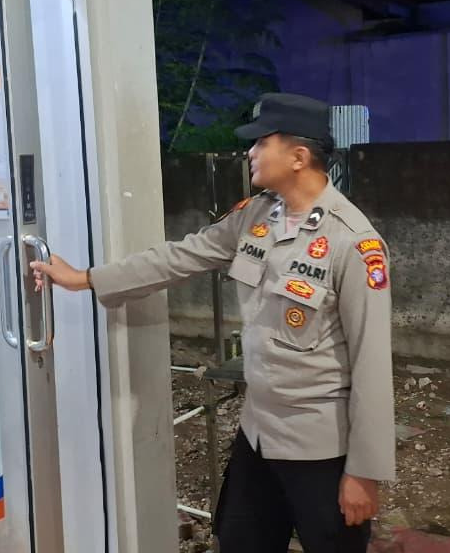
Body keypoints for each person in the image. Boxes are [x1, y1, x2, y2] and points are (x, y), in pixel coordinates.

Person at [31, 92, 395, 552]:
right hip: (258, 434)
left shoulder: (353, 244)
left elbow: (371, 364)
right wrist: (85, 278)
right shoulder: (256, 215)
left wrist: (364, 472)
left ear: (299, 157)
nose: (251, 151)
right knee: (239, 540)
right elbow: (179, 257)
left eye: (262, 143)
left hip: (320, 448)